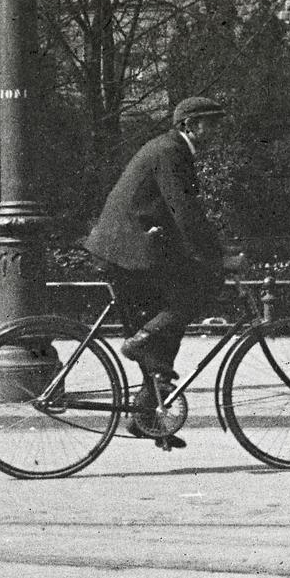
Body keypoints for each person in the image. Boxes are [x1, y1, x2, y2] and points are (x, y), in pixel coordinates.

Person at [83, 96, 242, 450]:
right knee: (195, 292)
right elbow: (183, 211)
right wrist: (218, 259)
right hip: (128, 250)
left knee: (166, 322)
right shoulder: (171, 151)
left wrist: (215, 251)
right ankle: (141, 343)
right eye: (210, 123)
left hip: (133, 247)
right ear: (189, 125)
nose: (215, 131)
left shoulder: (172, 149)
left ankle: (146, 416)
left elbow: (183, 213)